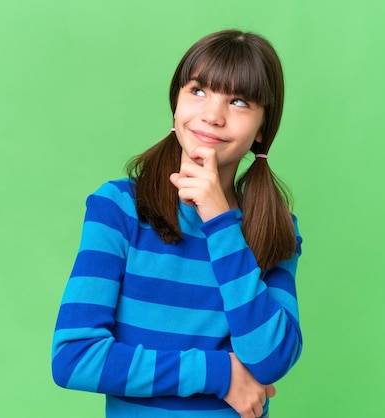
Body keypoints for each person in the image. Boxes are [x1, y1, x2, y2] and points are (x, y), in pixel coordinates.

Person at [52, 29, 303, 418]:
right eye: (198, 90)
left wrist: (221, 222)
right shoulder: (119, 208)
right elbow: (75, 356)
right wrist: (218, 373)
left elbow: (270, 361)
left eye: (238, 101)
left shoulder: (275, 227)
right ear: (176, 103)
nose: (213, 115)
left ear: (261, 130)